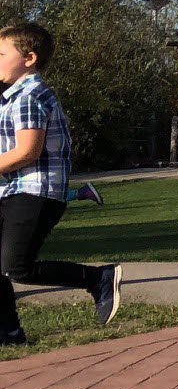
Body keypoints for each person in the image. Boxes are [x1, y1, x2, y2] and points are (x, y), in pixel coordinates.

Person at [0, 22, 122, 345]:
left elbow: (28, 151)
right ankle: (10, 333)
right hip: (14, 190)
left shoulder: (29, 96)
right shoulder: (13, 96)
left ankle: (98, 278)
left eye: (1, 54)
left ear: (29, 58)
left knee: (17, 268)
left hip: (35, 191)